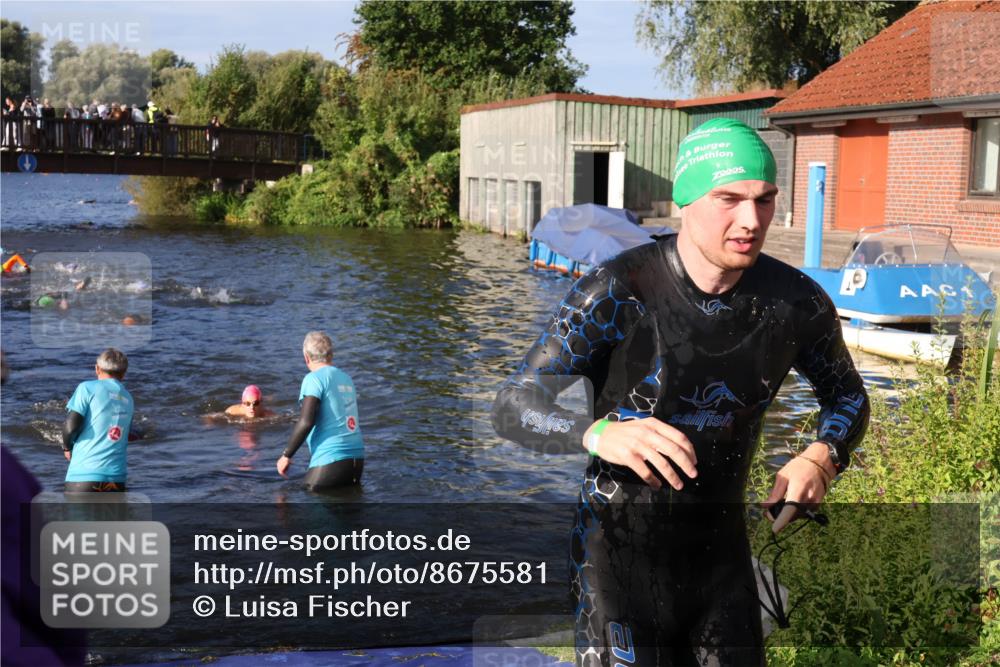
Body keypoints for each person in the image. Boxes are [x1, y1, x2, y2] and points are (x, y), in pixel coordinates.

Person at [491, 118, 869, 666]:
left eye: (764, 200)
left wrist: (822, 457)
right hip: (615, 563)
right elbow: (513, 405)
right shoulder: (616, 290)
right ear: (684, 201)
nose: (750, 220)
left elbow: (849, 398)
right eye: (728, 199)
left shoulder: (797, 304)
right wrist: (597, 433)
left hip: (720, 564)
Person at [276, 331, 364, 491]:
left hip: (330, 460)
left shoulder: (313, 379)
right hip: (356, 461)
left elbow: (306, 421)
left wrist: (286, 455)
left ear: (306, 357)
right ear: (331, 355)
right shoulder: (346, 378)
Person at [62, 348, 135, 492]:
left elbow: (70, 426)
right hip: (117, 479)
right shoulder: (128, 398)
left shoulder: (86, 388)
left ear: (97, 368)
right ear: (124, 374)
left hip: (83, 478)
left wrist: (67, 447)